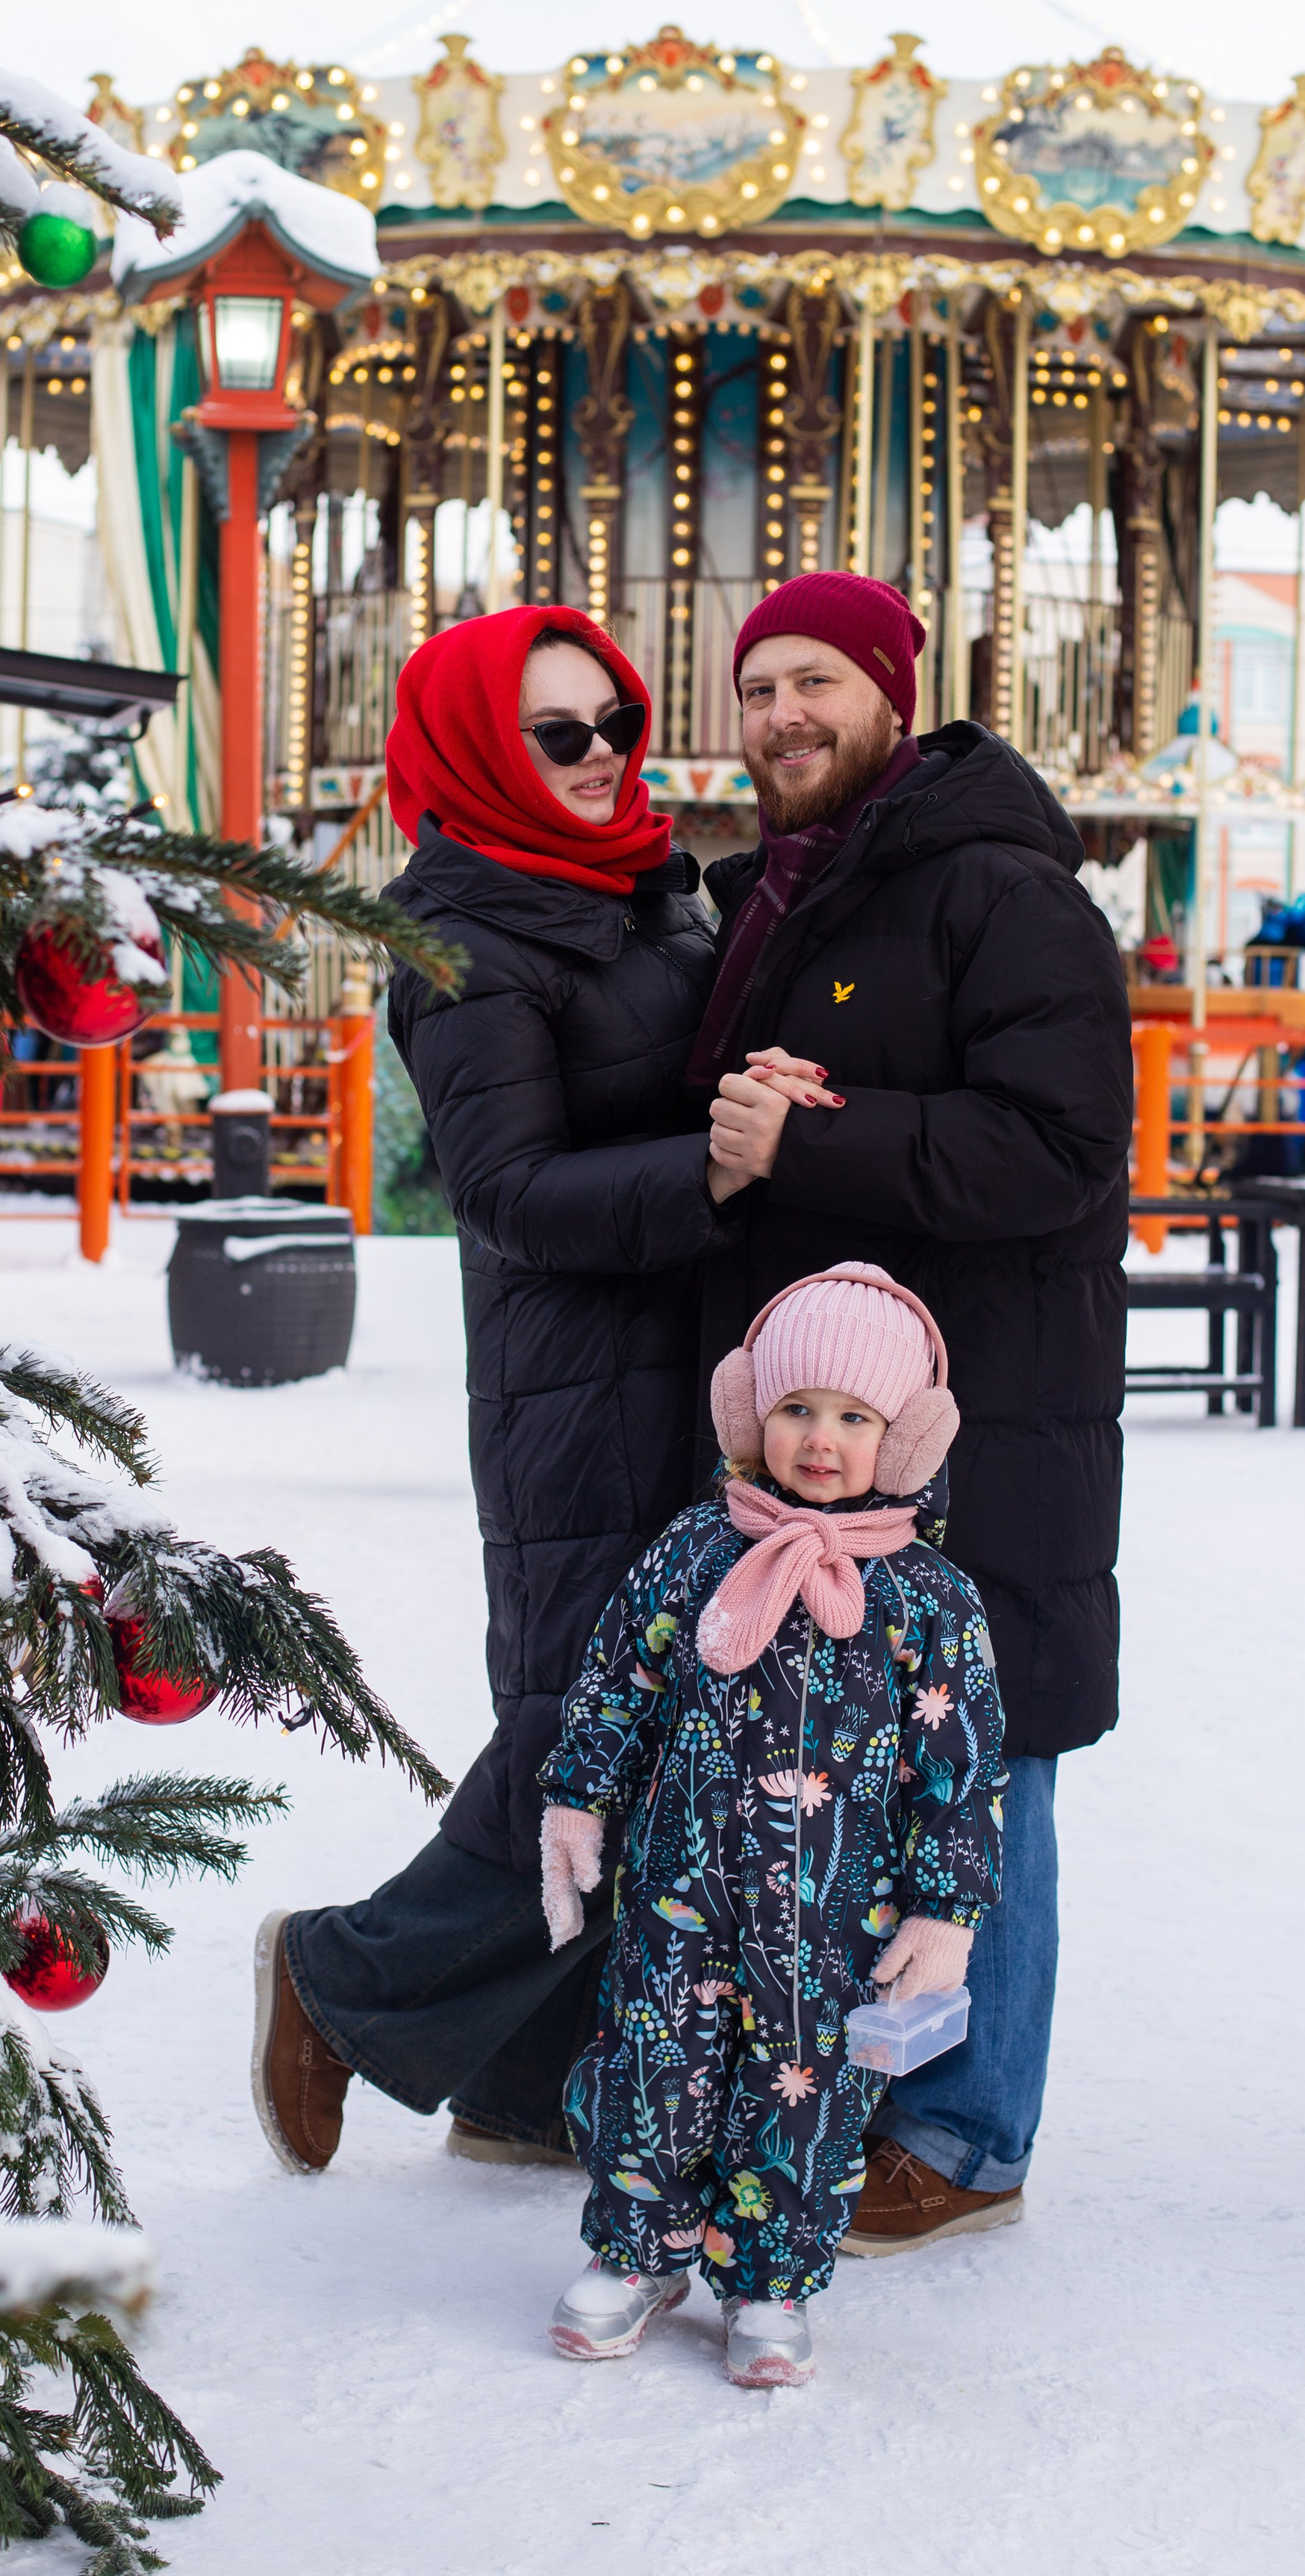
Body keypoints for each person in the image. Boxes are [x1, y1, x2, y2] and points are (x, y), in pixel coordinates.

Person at [251, 603, 737, 2174]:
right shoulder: (459, 941)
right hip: (576, 1383)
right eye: (557, 734)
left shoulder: (648, 889)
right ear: (475, 749)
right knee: (580, 1730)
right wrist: (719, 1167)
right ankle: (343, 1977)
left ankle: (525, 2083)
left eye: (614, 722)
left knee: (647, 1716)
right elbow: (509, 1189)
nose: (600, 759)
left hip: (699, 1367)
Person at [691, 570, 1132, 2257]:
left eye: (814, 681)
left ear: (890, 692)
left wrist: (808, 1139)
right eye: (754, 689)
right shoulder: (804, 895)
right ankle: (875, 2090)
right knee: (864, 1765)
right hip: (839, 1426)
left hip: (987, 1414)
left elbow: (1059, 1147)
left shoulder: (995, 892)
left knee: (982, 1761)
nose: (781, 717)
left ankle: (963, 2127)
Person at [537, 1262, 1003, 2388]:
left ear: (904, 1438)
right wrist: (576, 1797)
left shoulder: (929, 1600)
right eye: (796, 1408)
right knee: (656, 2066)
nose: (819, 1438)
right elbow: (617, 1683)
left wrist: (947, 1914)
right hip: (680, 1894)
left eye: (854, 1417)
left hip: (839, 1914)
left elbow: (964, 1766)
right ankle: (638, 2249)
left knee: (804, 2091)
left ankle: (771, 2277)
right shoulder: (696, 1550)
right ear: (751, 1414)